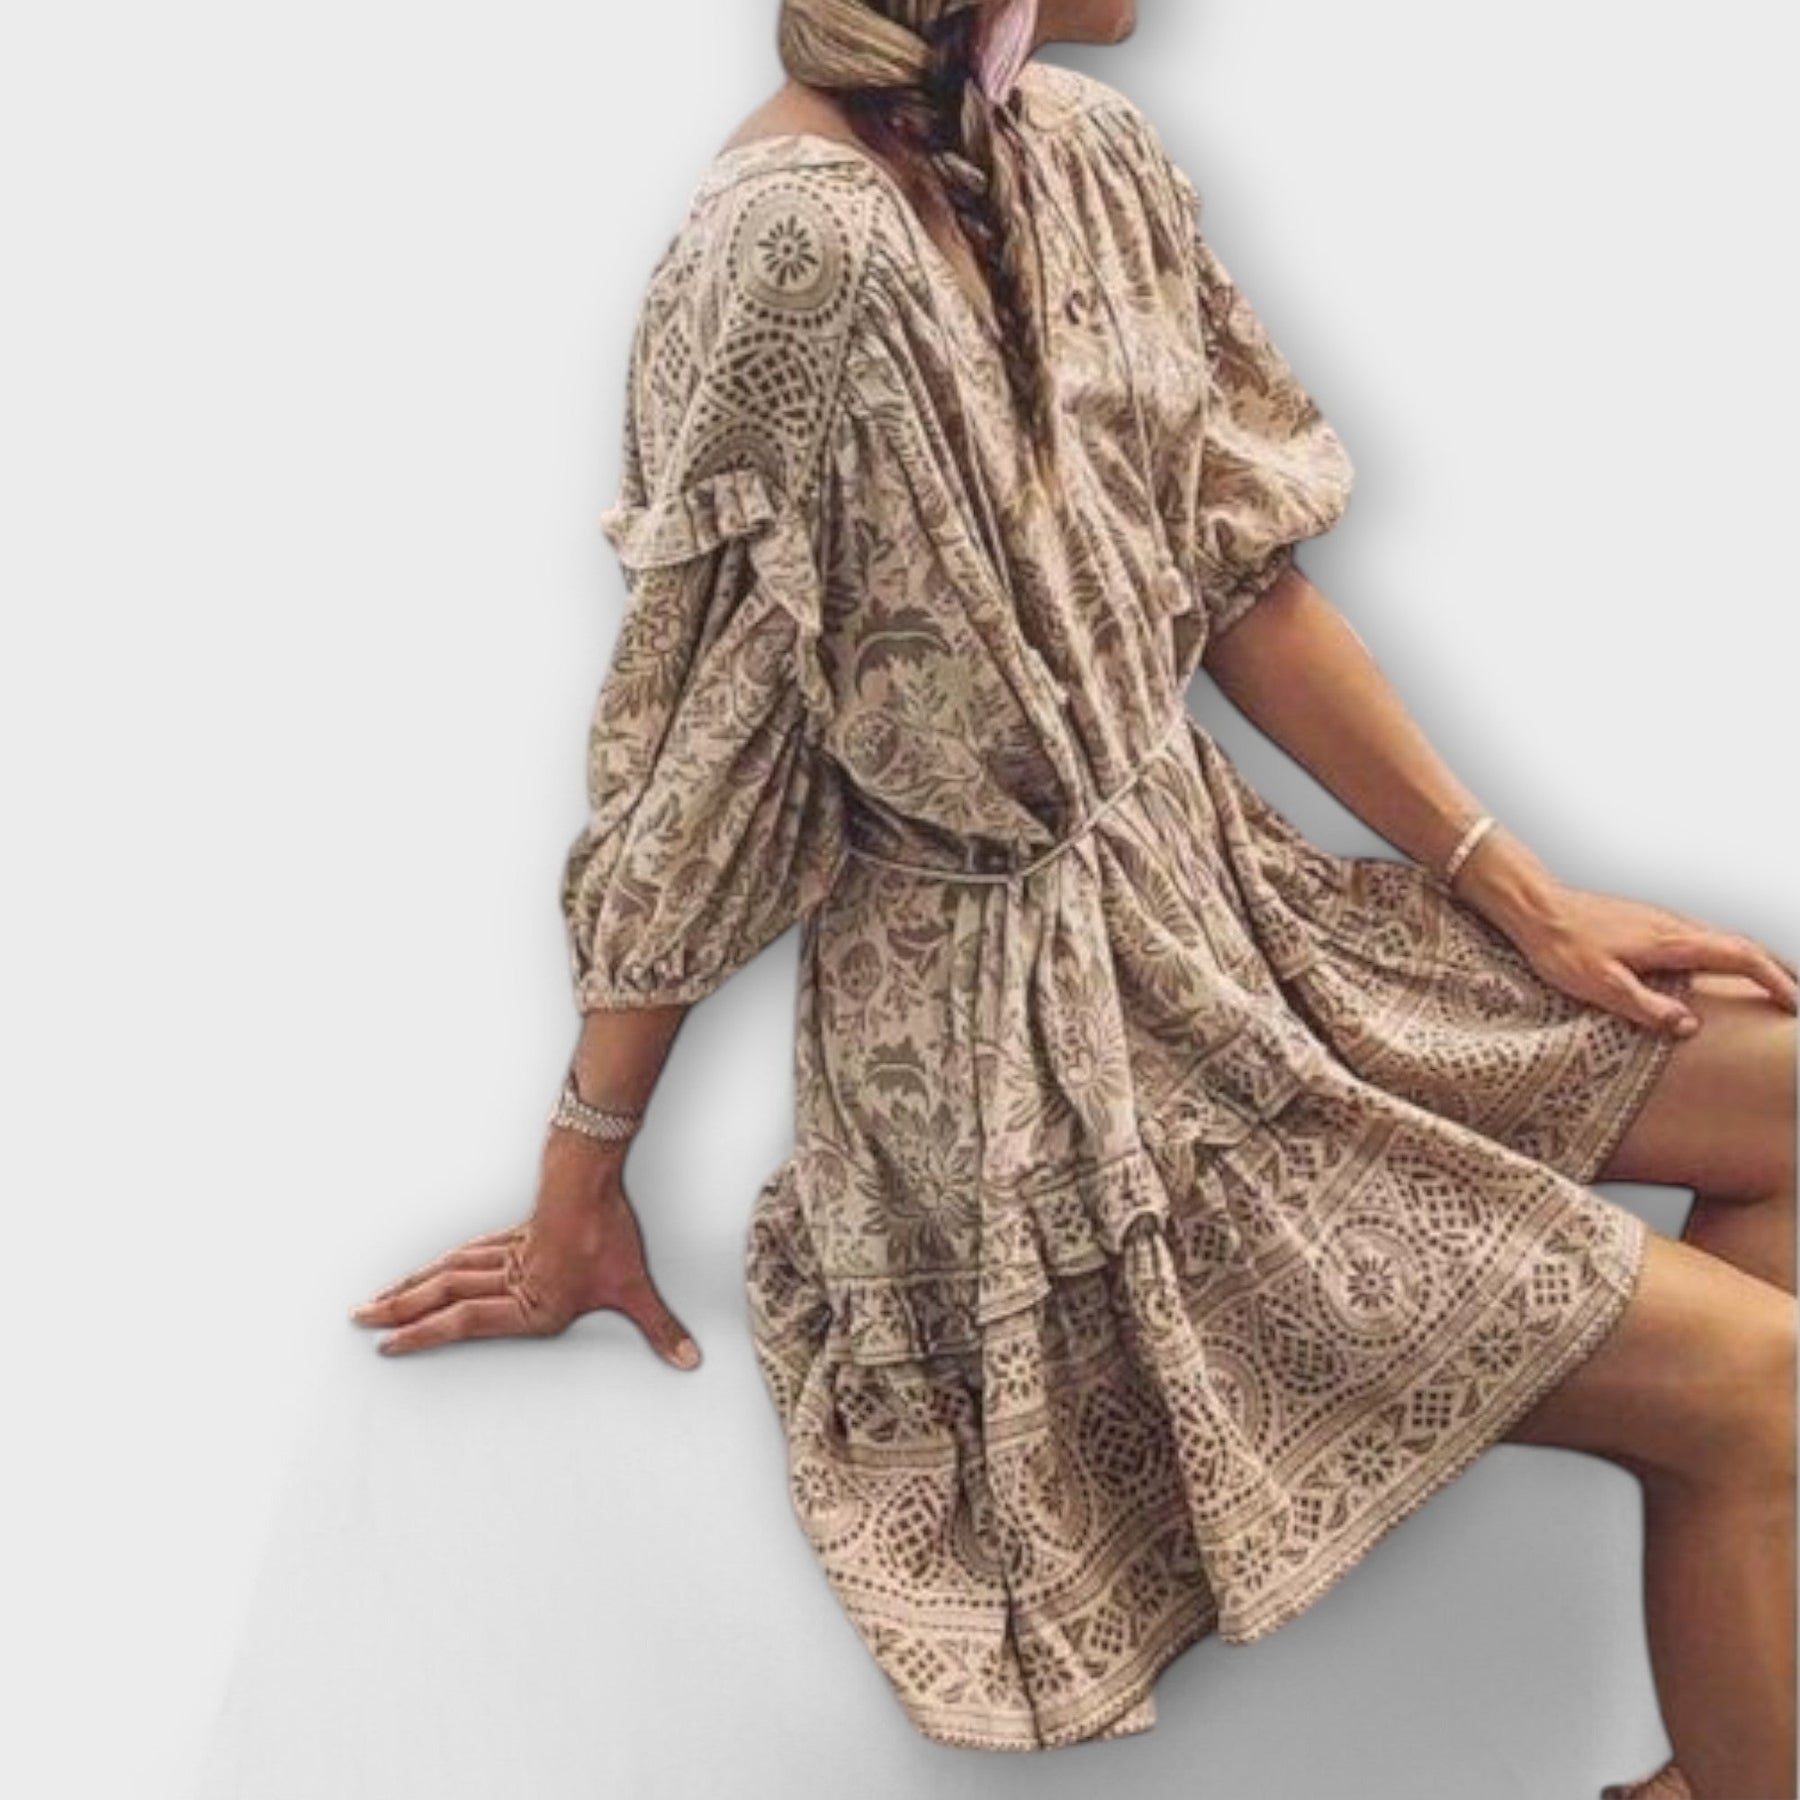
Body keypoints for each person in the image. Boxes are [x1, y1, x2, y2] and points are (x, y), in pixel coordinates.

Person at [349, 3, 1796, 1792]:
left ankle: (1731, 1697)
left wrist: (1518, 888)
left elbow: (1239, 583)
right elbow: (704, 775)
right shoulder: (792, 256)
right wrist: (583, 1177)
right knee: (1769, 1393)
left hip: (1231, 927)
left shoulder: (1084, 148)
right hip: (1034, 1075)